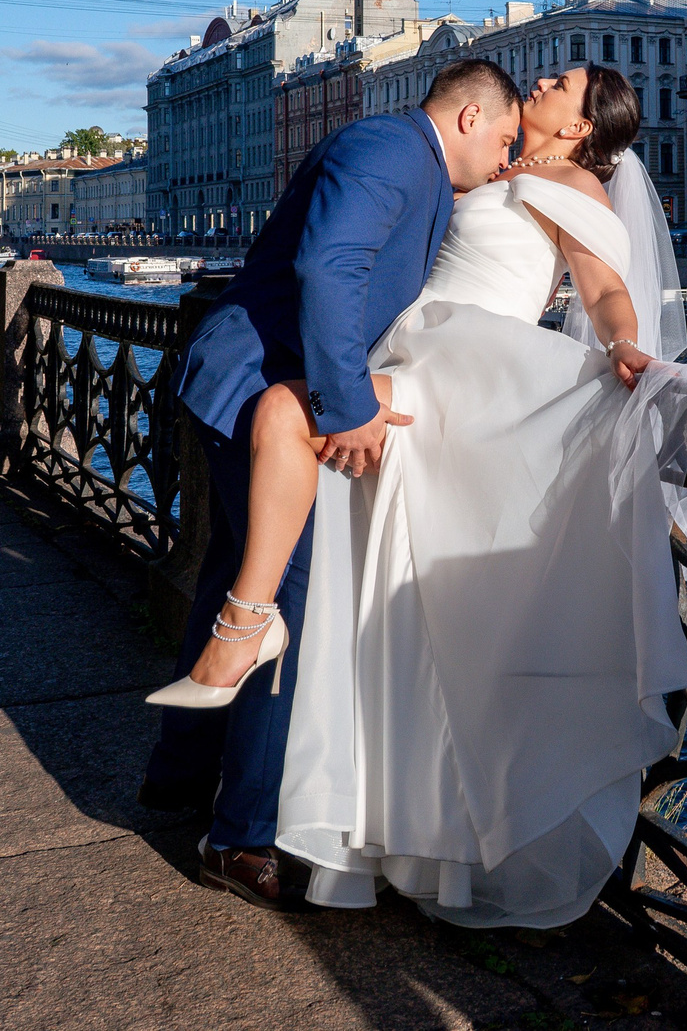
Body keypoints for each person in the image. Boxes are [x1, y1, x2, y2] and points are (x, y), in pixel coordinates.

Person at [269, 64, 687, 929]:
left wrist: (624, 344)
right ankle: (377, 839)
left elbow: (600, 286)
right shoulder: (500, 168)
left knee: (431, 616)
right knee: (390, 614)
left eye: (561, 82)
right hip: (409, 373)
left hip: (463, 382)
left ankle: (431, 845)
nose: (542, 81)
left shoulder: (573, 179)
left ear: (580, 125)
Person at [140, 58, 523, 908]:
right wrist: (347, 405)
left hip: (253, 380)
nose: (504, 160)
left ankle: (179, 772)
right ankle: (237, 837)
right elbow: (329, 268)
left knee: (230, 583)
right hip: (266, 390)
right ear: (467, 118)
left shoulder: (413, 163)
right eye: (503, 140)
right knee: (283, 609)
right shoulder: (392, 147)